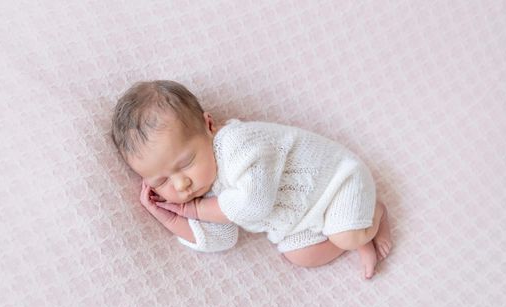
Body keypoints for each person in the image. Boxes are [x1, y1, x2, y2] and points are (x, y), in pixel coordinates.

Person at [111, 80, 392, 279]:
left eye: (186, 163)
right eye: (161, 181)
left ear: (209, 126)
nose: (181, 184)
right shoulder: (203, 189)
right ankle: (354, 230)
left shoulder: (237, 143)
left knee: (346, 235)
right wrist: (169, 216)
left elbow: (254, 205)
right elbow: (221, 238)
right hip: (304, 215)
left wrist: (192, 210)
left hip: (336, 182)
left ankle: (373, 215)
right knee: (302, 257)